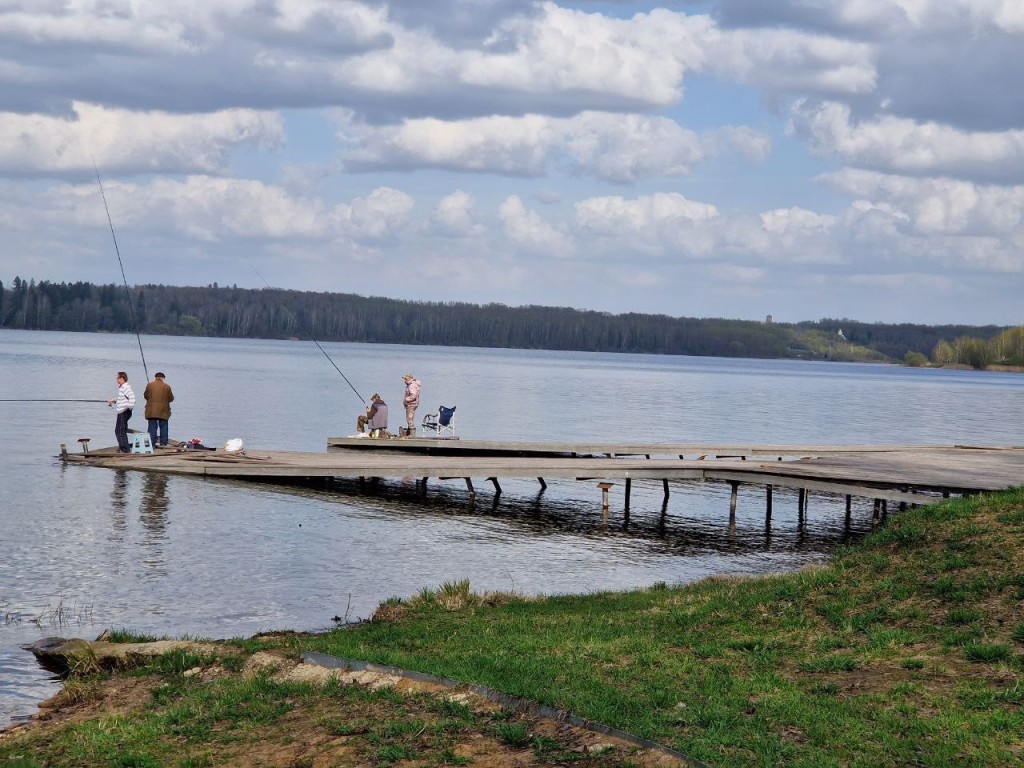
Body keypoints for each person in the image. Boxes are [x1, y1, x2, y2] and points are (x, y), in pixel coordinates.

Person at [107, 371, 136, 453]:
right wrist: (114, 400)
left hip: (124, 412)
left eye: (117, 378)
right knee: (120, 430)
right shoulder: (122, 387)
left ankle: (125, 449)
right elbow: (121, 398)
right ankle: (124, 448)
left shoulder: (126, 387)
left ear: (122, 378)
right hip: (121, 412)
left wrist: (128, 408)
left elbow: (132, 399)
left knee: (119, 431)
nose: (116, 379)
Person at [143, 371, 174, 447]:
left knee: (152, 427)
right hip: (163, 411)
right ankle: (163, 444)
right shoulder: (167, 386)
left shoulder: (149, 385)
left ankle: (151, 444)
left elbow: (145, 396)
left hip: (152, 411)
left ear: (155, 377)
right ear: (163, 378)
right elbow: (171, 398)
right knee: (164, 427)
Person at [402, 373, 420, 437]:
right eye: (404, 379)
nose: (404, 380)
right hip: (413, 404)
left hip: (411, 404)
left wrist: (407, 399)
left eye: (406, 378)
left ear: (409, 378)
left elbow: (413, 395)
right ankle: (410, 432)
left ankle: (412, 434)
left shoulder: (412, 385)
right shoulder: (411, 384)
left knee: (409, 418)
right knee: (410, 418)